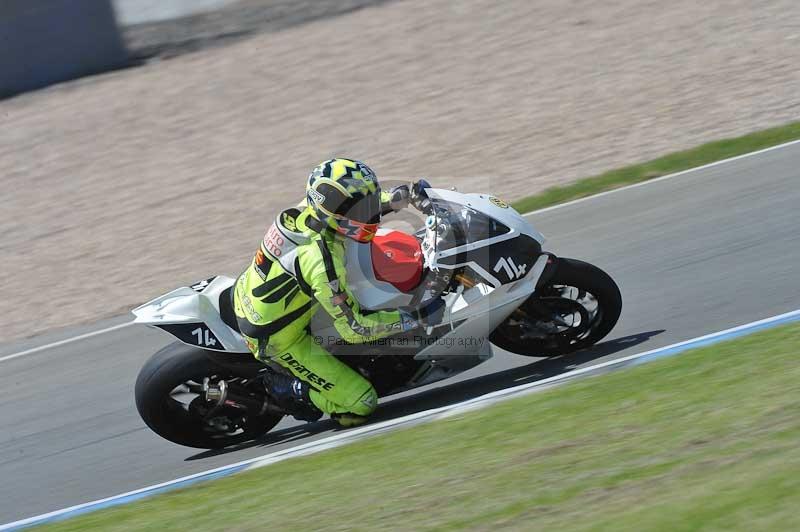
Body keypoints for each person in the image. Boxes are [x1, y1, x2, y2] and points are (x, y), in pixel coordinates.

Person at [233, 158, 444, 427]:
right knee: (361, 404)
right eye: (361, 207)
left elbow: (355, 205)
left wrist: (406, 194)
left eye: (367, 202)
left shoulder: (311, 209)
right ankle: (288, 388)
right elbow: (354, 328)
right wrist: (416, 317)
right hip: (277, 338)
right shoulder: (320, 260)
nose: (368, 212)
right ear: (334, 211)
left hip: (256, 292)